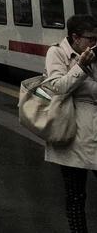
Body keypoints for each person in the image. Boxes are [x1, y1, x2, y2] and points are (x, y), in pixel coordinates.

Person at [38, 15, 97, 233]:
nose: (94, 42)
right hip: (72, 134)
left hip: (94, 131)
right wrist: (81, 66)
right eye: (90, 38)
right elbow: (58, 87)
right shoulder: (57, 53)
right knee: (75, 194)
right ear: (75, 37)